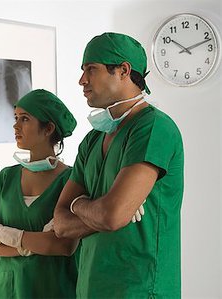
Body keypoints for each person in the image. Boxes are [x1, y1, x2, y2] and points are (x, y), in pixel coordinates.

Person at [54, 32, 184, 298]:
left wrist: (79, 205)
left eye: (91, 69)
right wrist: (101, 212)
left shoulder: (154, 128)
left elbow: (112, 216)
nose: (82, 80)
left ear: (123, 70)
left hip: (140, 290)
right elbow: (61, 224)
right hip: (90, 288)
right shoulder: (93, 140)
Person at [0, 89, 80, 299]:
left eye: (25, 119)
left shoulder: (72, 181)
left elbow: (63, 245)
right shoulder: (6, 178)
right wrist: (28, 246)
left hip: (55, 289)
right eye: (16, 118)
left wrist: (8, 236)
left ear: (48, 128)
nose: (15, 126)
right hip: (9, 291)